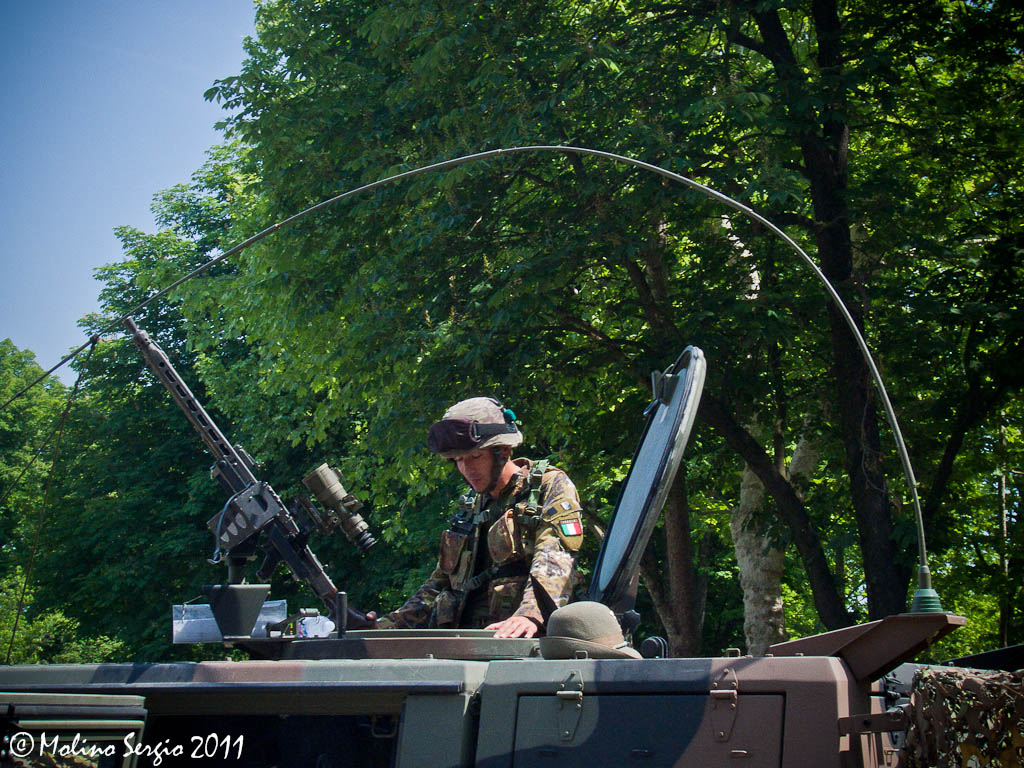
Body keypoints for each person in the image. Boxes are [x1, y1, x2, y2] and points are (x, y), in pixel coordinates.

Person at [366, 397, 583, 638]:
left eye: (475, 457)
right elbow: (439, 584)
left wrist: (529, 614)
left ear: (503, 451)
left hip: (526, 645)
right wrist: (383, 627)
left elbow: (555, 557)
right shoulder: (470, 507)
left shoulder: (547, 486)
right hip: (466, 646)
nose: (467, 468)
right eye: (459, 460)